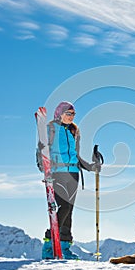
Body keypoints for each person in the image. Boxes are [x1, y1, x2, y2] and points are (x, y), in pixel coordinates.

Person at [41, 101, 101, 260]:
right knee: (63, 207)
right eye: (68, 113)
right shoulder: (51, 128)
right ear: (59, 113)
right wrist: (43, 168)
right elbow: (41, 149)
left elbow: (77, 156)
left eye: (73, 114)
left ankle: (65, 246)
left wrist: (92, 167)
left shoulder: (74, 131)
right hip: (57, 172)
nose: (71, 117)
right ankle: (49, 242)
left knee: (69, 211)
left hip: (73, 173)